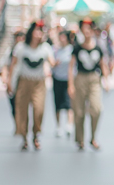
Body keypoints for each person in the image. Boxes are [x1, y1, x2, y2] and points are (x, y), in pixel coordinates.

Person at [10, 21, 55, 151]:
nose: (39, 34)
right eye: (37, 30)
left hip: (39, 82)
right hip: (24, 81)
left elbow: (52, 62)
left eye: (41, 31)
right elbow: (14, 64)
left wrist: (58, 62)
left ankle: (36, 134)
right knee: (22, 110)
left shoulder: (45, 47)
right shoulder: (21, 47)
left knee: (39, 109)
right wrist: (9, 81)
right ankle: (24, 137)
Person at [70, 19, 110, 151]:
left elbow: (102, 64)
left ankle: (93, 137)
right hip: (80, 78)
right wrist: (70, 84)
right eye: (84, 29)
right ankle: (80, 139)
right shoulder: (77, 47)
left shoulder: (98, 47)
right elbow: (71, 67)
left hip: (94, 79)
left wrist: (106, 81)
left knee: (96, 108)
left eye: (89, 29)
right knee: (79, 112)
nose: (87, 32)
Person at [51, 29, 73, 138]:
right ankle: (58, 126)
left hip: (68, 79)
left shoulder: (71, 50)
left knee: (69, 103)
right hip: (57, 78)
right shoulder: (55, 50)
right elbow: (51, 63)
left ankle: (69, 125)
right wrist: (54, 64)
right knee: (58, 104)